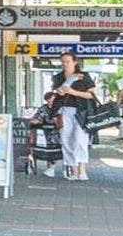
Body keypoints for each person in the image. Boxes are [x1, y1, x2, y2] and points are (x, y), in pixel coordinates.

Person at [43, 51, 100, 181]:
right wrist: (67, 84)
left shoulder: (84, 76)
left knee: (80, 139)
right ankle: (73, 170)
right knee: (66, 139)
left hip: (82, 111)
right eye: (63, 62)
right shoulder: (58, 77)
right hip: (64, 111)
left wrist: (73, 92)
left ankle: (82, 170)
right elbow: (59, 93)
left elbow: (91, 95)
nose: (65, 64)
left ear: (75, 62)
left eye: (68, 61)